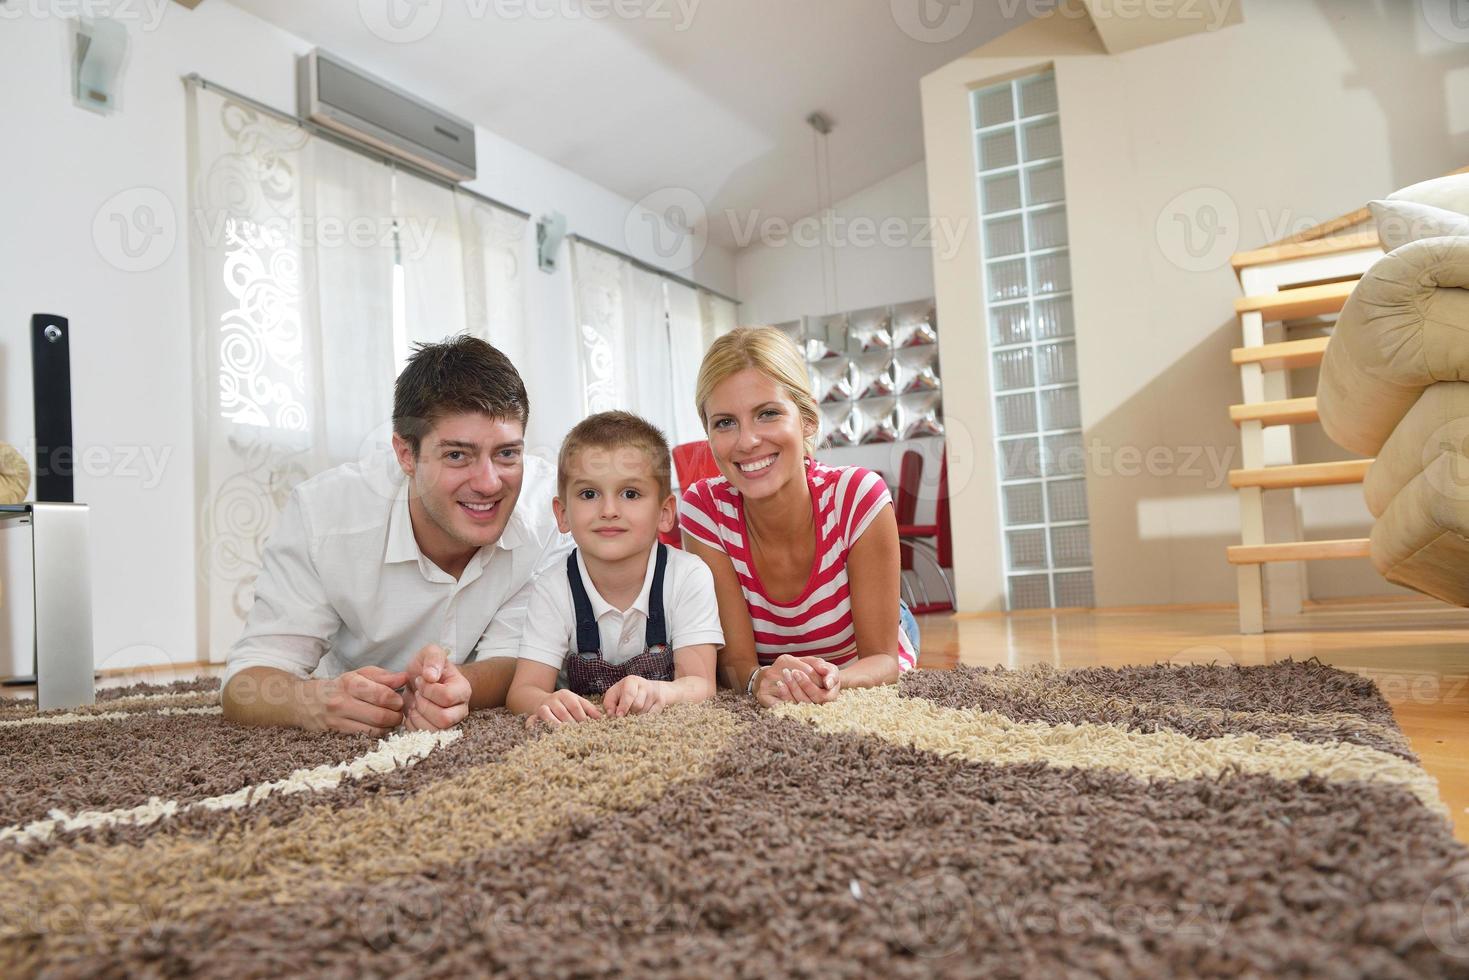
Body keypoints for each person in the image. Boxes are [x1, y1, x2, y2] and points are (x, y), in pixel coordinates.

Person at [220, 336, 570, 736]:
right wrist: (310, 701)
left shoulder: (553, 510)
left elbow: (519, 657)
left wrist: (459, 688)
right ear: (405, 454)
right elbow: (245, 681)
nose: (489, 483)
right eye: (457, 455)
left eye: (507, 454)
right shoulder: (324, 515)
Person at [678, 327, 919, 708]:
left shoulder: (857, 495)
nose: (746, 441)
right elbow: (738, 663)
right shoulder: (703, 510)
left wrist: (833, 679)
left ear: (806, 419)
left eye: (767, 414)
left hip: (867, 639)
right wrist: (759, 679)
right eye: (725, 422)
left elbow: (884, 660)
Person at [506, 412, 723, 727]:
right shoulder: (553, 587)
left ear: (665, 513)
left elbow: (702, 685)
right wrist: (546, 700)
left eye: (630, 494)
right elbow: (523, 690)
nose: (608, 511)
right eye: (589, 494)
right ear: (563, 514)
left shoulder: (689, 576)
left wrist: (661, 692)